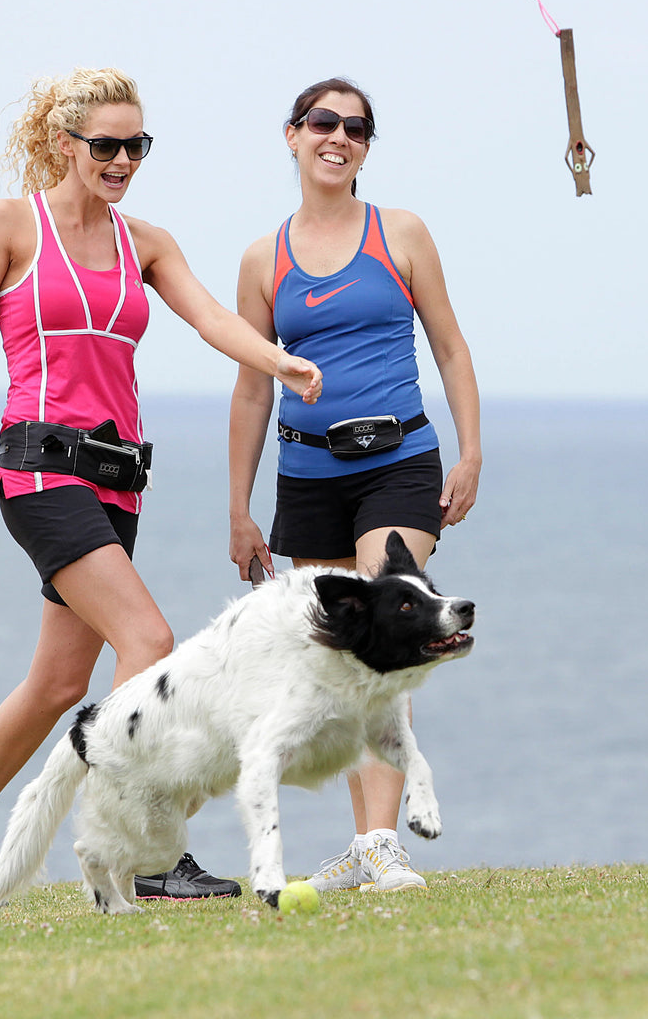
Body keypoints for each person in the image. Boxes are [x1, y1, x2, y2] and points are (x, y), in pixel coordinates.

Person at [0, 67, 322, 907]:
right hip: (40, 471)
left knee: (60, 684)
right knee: (151, 642)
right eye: (107, 145)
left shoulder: (149, 243)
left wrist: (276, 359)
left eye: (137, 145)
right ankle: (146, 853)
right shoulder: (9, 224)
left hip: (119, 484)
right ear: (65, 145)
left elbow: (210, 316)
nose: (123, 158)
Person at [228, 77, 480, 894]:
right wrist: (240, 507)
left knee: (388, 615)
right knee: (338, 657)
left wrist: (470, 451)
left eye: (357, 128)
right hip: (307, 475)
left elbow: (448, 346)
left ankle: (380, 845)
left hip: (400, 461)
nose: (339, 137)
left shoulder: (400, 233)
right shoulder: (263, 259)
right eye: (323, 123)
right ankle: (364, 841)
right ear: (293, 135)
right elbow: (252, 388)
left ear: (367, 147)